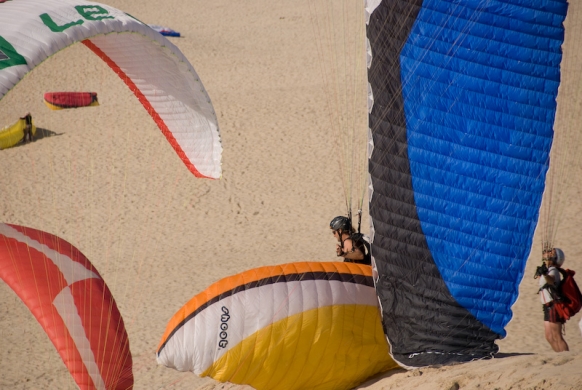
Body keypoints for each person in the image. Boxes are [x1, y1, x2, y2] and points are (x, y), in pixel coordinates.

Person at [537, 247, 569, 352]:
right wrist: (541, 274)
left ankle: (566, 357)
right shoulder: (547, 269)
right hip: (546, 306)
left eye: (551, 252)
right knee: (549, 337)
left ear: (555, 258)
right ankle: (560, 355)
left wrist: (545, 274)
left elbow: (551, 280)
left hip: (553, 305)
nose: (547, 252)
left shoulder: (553, 270)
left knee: (557, 336)